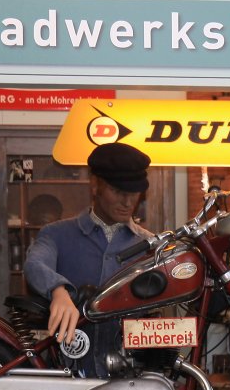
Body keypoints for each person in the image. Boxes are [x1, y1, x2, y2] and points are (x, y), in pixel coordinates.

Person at [23, 144, 154, 377]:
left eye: (133, 193)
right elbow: (35, 264)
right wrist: (58, 291)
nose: (127, 202)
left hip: (131, 378)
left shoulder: (150, 246)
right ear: (95, 184)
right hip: (68, 374)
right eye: (117, 191)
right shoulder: (56, 234)